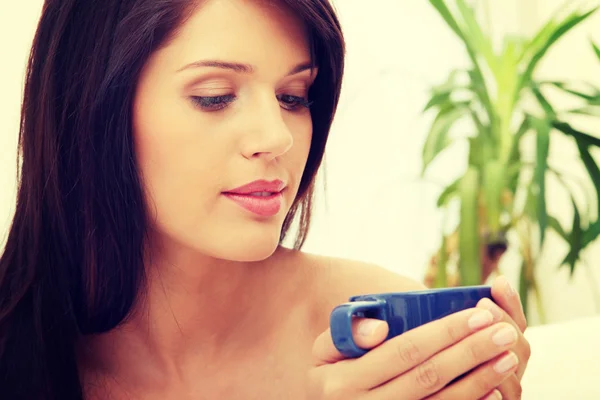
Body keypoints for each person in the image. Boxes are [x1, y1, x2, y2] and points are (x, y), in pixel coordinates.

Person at [0, 0, 530, 399]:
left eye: (293, 97)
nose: (277, 137)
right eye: (215, 97)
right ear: (93, 107)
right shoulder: (20, 351)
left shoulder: (382, 333)